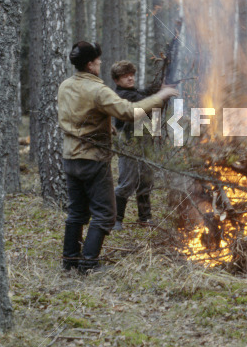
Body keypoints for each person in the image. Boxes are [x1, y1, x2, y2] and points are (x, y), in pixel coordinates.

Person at [57, 42, 178, 272]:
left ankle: (70, 261)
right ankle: (88, 264)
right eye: (98, 61)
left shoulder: (65, 85)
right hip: (92, 159)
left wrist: (107, 128)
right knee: (105, 215)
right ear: (90, 64)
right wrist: (161, 95)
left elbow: (78, 115)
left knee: (76, 213)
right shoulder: (98, 90)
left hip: (70, 157)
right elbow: (130, 113)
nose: (100, 63)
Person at [111, 60, 158, 230]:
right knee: (126, 182)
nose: (130, 78)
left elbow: (145, 93)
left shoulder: (135, 92)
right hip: (129, 142)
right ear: (117, 80)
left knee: (145, 181)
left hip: (144, 142)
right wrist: (161, 93)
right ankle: (116, 219)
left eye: (131, 75)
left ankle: (145, 218)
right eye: (125, 76)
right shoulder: (122, 95)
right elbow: (144, 100)